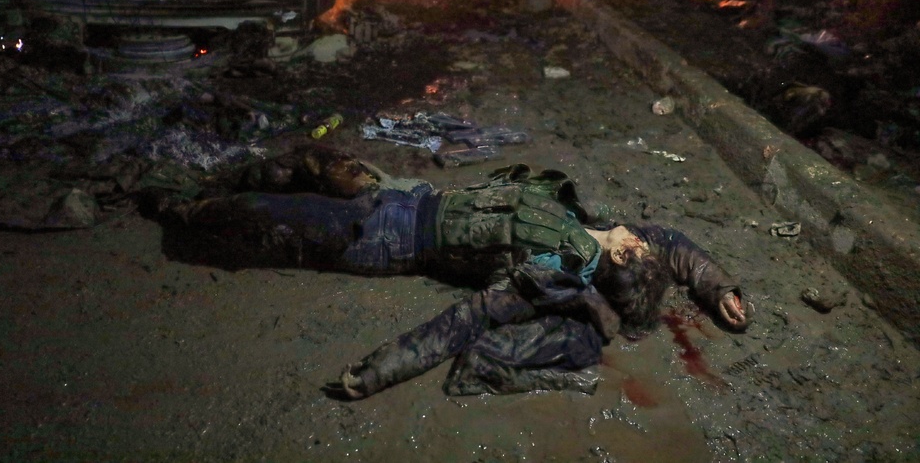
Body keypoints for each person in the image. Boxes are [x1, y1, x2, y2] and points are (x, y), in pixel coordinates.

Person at [154, 144, 749, 398]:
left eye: (638, 244)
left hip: (385, 237)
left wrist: (384, 368)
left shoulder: (553, 267)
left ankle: (177, 206)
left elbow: (467, 320)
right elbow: (674, 247)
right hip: (405, 193)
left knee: (261, 218)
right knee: (315, 159)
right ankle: (212, 182)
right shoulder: (597, 229)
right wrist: (720, 288)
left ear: (621, 255)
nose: (644, 233)